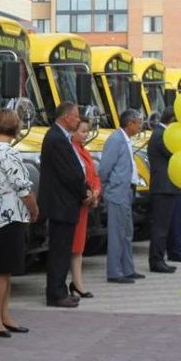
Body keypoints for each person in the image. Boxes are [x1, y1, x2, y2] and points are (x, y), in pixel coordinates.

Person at [0, 109, 38, 337]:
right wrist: (34, 209)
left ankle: (4, 314)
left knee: (4, 269)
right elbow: (23, 187)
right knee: (3, 270)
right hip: (10, 216)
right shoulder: (9, 153)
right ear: (16, 128)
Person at [39, 101, 90, 307]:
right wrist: (83, 190)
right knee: (60, 250)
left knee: (63, 248)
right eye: (76, 116)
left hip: (66, 202)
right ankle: (56, 293)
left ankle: (60, 289)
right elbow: (69, 173)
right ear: (66, 117)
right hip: (60, 203)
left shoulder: (62, 137)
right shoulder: (56, 139)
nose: (78, 120)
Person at [98, 109, 142, 284]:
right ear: (130, 123)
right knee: (117, 233)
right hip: (117, 192)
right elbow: (105, 167)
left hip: (126, 191)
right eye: (138, 123)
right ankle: (114, 272)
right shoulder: (116, 140)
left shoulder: (126, 140)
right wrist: (107, 187)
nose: (140, 126)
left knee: (127, 231)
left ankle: (127, 268)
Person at [69, 116, 101, 296]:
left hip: (85, 204)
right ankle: (75, 283)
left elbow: (94, 175)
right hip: (76, 203)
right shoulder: (71, 150)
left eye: (87, 131)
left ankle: (77, 282)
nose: (85, 134)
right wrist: (87, 194)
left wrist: (95, 192)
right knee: (73, 245)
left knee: (79, 246)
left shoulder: (84, 150)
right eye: (82, 131)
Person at [146, 107, 180, 273]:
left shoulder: (161, 133)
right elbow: (174, 154)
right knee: (160, 227)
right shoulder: (161, 135)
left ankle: (160, 258)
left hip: (166, 187)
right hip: (163, 187)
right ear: (172, 120)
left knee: (163, 226)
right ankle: (156, 260)